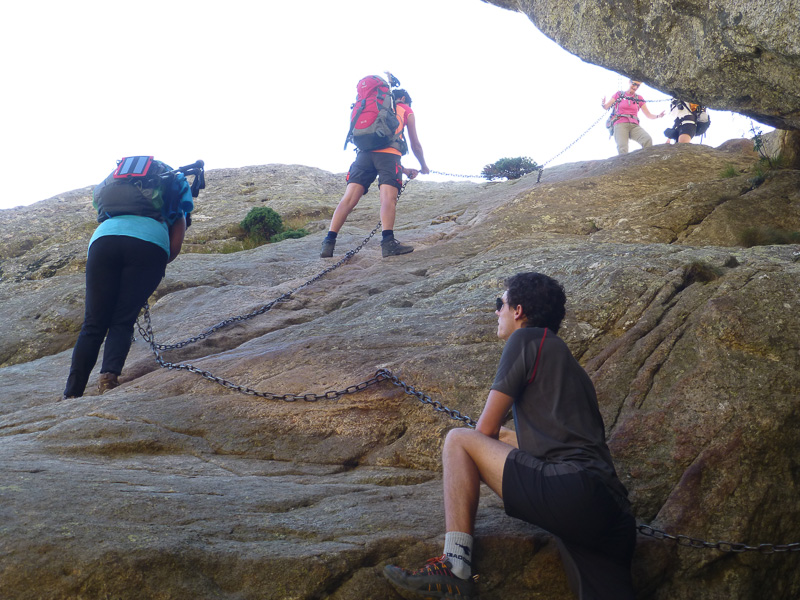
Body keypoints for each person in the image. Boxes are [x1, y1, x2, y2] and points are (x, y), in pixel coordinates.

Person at [383, 272, 636, 600]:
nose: (496, 312)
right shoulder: (570, 366)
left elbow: (483, 432)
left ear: (518, 311)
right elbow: (530, 441)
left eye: (499, 304)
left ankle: (455, 565)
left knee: (459, 440)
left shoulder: (526, 339)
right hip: (613, 513)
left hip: (572, 490)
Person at [62, 158, 194, 399]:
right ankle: (108, 379)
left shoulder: (112, 189)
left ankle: (72, 393)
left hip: (104, 241)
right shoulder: (174, 191)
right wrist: (151, 265)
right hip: (149, 244)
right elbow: (174, 248)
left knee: (93, 323)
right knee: (122, 320)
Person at [320, 88, 430, 259]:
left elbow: (378, 156)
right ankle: (388, 243)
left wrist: (405, 170)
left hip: (363, 155)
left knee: (348, 199)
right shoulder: (405, 109)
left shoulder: (373, 106)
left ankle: (328, 242)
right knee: (387, 199)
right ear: (403, 98)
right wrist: (423, 166)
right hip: (389, 156)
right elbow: (415, 145)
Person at [602, 80, 665, 155]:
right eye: (634, 84)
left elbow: (648, 115)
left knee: (647, 139)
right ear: (629, 82)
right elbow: (606, 106)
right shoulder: (619, 94)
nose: (635, 87)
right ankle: (624, 163)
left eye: (638, 85)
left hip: (634, 125)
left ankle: (647, 159)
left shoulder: (639, 98)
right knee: (622, 148)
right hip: (620, 123)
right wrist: (603, 104)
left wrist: (658, 116)